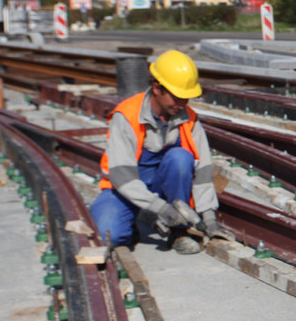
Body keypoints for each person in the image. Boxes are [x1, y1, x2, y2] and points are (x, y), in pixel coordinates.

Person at [90, 50, 231, 254]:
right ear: (157, 88)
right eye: (177, 97)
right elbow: (121, 175)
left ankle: (178, 233)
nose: (183, 104)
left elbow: (202, 170)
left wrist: (209, 219)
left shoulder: (189, 118)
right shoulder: (127, 115)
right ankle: (133, 226)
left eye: (187, 98)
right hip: (126, 185)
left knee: (180, 158)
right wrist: (161, 209)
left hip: (164, 183)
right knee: (107, 234)